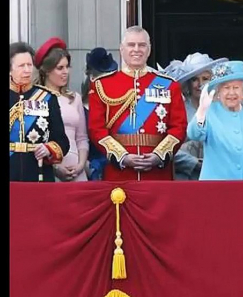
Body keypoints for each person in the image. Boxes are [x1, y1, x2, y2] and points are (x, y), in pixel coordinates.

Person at [87, 26, 187, 181]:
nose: (136, 49)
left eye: (142, 45)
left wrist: (158, 155)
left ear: (149, 49)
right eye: (131, 45)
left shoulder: (169, 85)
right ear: (121, 49)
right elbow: (96, 129)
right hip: (119, 173)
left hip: (158, 174)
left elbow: (179, 126)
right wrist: (122, 157)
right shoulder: (102, 85)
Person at [186, 61, 243, 180]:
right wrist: (202, 110)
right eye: (226, 88)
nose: (231, 93)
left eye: (236, 87)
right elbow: (194, 134)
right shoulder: (209, 112)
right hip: (216, 191)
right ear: (218, 92)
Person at [161, 53, 228, 180]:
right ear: (188, 84)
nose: (200, 84)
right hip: (184, 178)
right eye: (194, 79)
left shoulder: (221, 110)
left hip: (216, 177)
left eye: (205, 78)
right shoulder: (177, 110)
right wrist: (193, 163)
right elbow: (165, 146)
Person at [10, 41, 69, 182]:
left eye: (29, 65)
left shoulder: (47, 98)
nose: (27, 70)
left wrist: (49, 149)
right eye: (21, 66)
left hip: (38, 173)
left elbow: (62, 141)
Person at [35, 37, 89, 182]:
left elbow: (82, 138)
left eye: (67, 67)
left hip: (77, 171)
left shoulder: (75, 98)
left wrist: (81, 165)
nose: (66, 72)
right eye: (60, 68)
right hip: (49, 170)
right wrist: (55, 168)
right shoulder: (36, 99)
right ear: (47, 70)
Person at [82, 47, 119, 180]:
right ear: (92, 77)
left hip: (119, 167)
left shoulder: (120, 103)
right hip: (92, 172)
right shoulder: (80, 108)